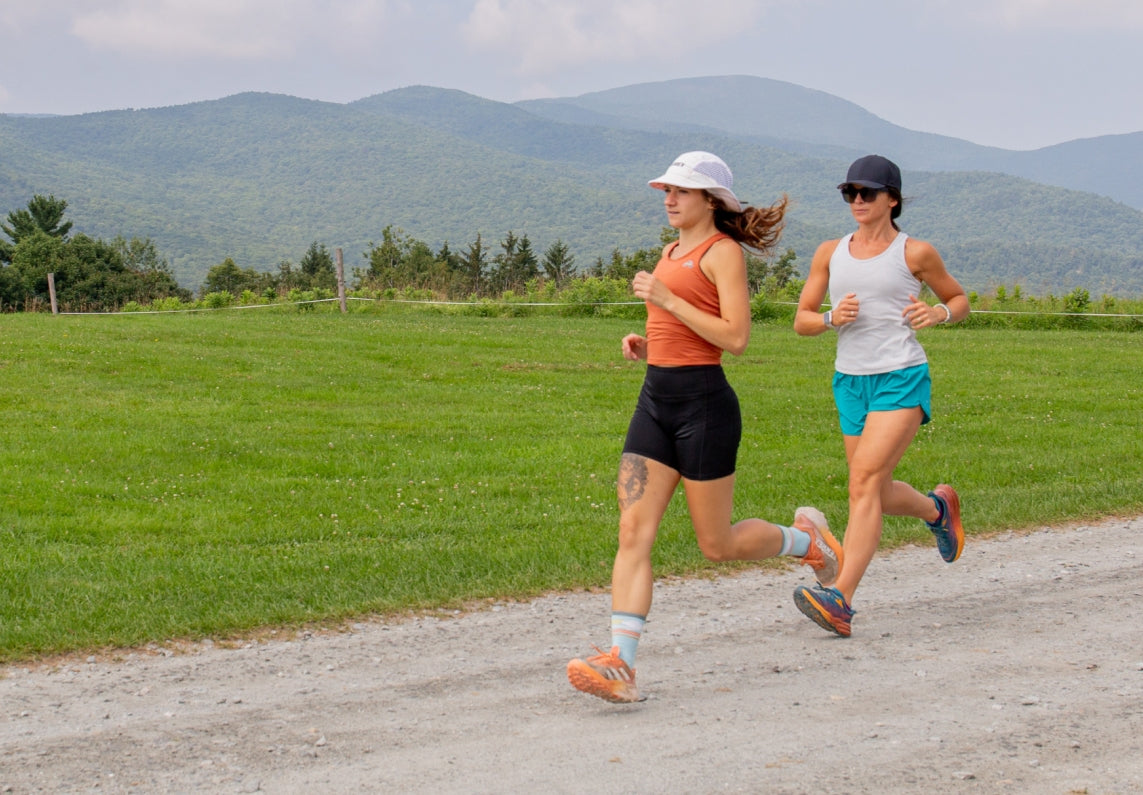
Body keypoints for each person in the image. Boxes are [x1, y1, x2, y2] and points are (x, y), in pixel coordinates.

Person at [566, 151, 843, 703]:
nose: (668, 198)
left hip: (704, 408)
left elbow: (736, 337)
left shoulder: (722, 255)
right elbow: (683, 327)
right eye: (666, 190)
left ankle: (806, 541)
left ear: (710, 201)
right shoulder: (670, 251)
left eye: (681, 191)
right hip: (655, 399)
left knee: (716, 545)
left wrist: (666, 298)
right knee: (631, 532)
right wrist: (648, 342)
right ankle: (621, 664)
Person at [791, 154, 969, 638]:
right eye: (850, 193)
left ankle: (840, 600)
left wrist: (939, 315)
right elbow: (802, 319)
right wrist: (831, 318)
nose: (858, 201)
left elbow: (959, 300)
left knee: (864, 483)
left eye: (867, 193)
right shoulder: (830, 251)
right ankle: (938, 509)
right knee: (876, 490)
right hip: (850, 381)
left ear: (893, 198)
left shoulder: (916, 253)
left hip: (901, 376)